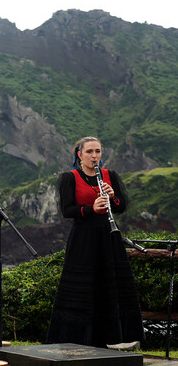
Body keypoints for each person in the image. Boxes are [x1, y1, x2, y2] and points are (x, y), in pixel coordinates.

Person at [46, 136, 144, 347]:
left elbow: (120, 206)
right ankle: (76, 339)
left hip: (108, 236)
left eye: (98, 151)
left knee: (108, 287)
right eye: (90, 152)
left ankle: (110, 338)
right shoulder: (69, 177)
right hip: (83, 238)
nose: (94, 156)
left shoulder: (110, 176)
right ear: (80, 155)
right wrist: (92, 209)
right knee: (82, 288)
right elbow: (67, 210)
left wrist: (112, 196)